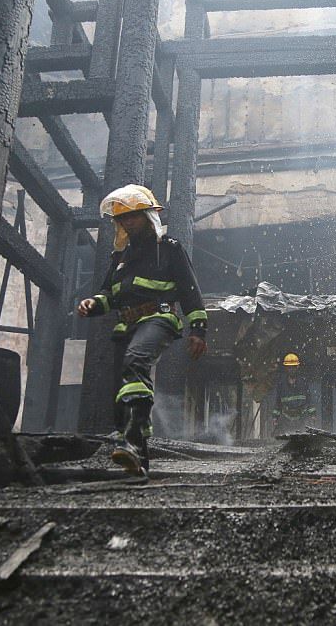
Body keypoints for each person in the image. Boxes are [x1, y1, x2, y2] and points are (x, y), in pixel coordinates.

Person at [77, 184, 207, 480]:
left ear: (149, 216)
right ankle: (138, 463)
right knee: (124, 389)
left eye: (133, 215)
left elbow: (190, 290)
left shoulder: (168, 248)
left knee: (135, 361)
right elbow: (108, 295)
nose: (127, 222)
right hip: (126, 326)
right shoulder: (120, 258)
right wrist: (92, 303)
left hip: (159, 318)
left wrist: (198, 330)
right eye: (122, 218)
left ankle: (134, 439)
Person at [272, 353, 317, 435]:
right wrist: (275, 417)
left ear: (297, 367)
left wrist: (313, 415)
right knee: (283, 439)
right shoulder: (281, 384)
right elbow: (278, 403)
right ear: (286, 368)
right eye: (289, 367)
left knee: (303, 438)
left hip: (301, 418)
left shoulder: (303, 383)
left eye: (293, 367)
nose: (291, 369)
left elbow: (309, 400)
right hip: (285, 419)